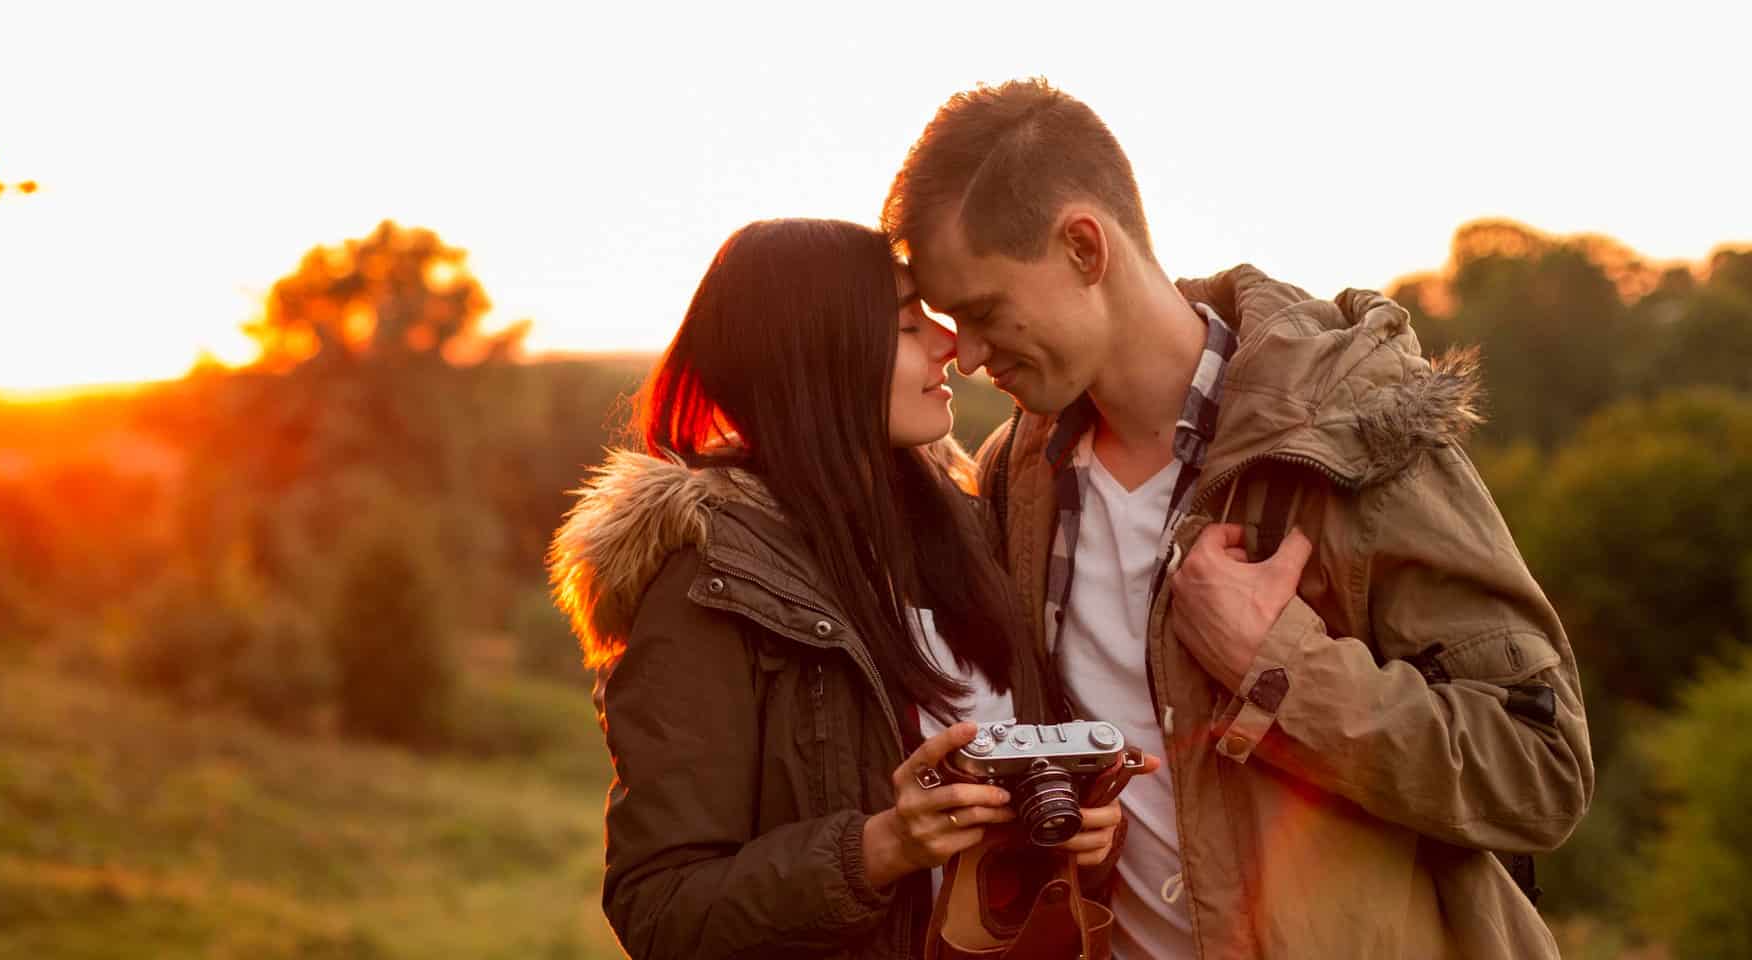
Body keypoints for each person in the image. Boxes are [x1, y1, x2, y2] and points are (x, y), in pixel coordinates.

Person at [880, 79, 1595, 960]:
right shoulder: (1016, 480)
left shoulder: (1352, 440)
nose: (973, 354)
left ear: (1082, 246)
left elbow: (1541, 771)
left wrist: (1276, 667)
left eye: (985, 312)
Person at [546, 218, 1140, 959]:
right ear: (816, 359)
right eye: (904, 324)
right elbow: (659, 909)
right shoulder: (711, 582)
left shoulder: (970, 535)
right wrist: (877, 849)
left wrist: (1079, 828)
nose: (948, 342)